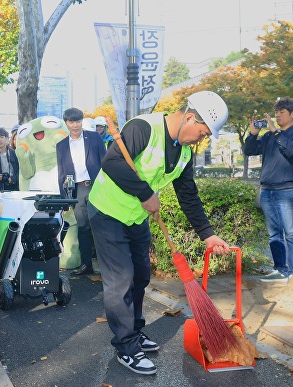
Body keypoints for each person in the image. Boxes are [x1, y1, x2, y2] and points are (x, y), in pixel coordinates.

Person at [87, 91, 231, 375]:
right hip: (107, 212)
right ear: (189, 117)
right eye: (202, 133)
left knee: (141, 275)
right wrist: (144, 192)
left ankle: (135, 330)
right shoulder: (143, 127)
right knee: (121, 280)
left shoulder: (185, 152)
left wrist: (207, 234)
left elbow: (187, 194)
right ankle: (126, 346)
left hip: (136, 217)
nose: (200, 140)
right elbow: (112, 162)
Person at [243, 97, 293, 282]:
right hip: (267, 190)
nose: (277, 115)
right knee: (274, 234)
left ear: (291, 114)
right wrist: (253, 133)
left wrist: (276, 131)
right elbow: (249, 150)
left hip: (287, 190)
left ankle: (291, 272)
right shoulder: (269, 136)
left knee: (290, 232)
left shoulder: (283, 134)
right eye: (276, 112)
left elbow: (290, 151)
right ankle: (280, 270)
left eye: (281, 112)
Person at [57, 108, 106, 275]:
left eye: (78, 121)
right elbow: (62, 172)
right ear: (66, 123)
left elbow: (105, 162)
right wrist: (65, 198)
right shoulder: (62, 145)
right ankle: (87, 265)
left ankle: (108, 266)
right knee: (83, 228)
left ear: (82, 121)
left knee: (101, 226)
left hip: (96, 186)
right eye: (71, 121)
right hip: (77, 189)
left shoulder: (94, 137)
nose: (75, 125)